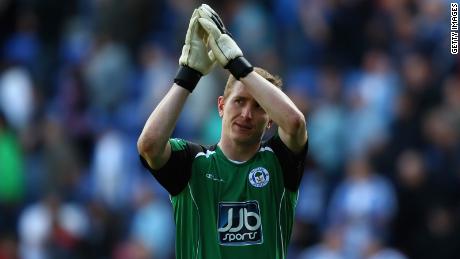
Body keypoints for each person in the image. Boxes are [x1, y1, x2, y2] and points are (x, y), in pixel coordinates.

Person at [137, 4, 308, 259]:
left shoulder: (279, 163)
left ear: (270, 120)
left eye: (259, 107)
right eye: (239, 102)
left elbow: (295, 122)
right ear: (221, 106)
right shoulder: (192, 164)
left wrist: (239, 66)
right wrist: (188, 75)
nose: (247, 114)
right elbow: (149, 144)